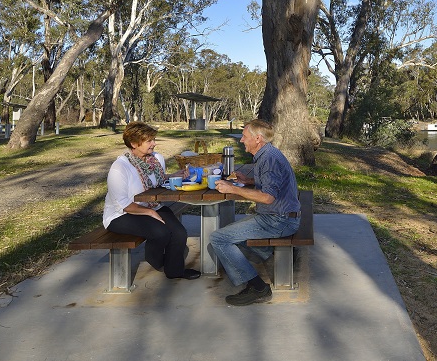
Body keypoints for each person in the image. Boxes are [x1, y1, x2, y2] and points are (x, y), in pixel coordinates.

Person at [211, 119, 300, 305]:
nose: (241, 140)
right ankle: (270, 251)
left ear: (258, 138)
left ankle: (258, 287)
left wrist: (233, 189)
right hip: (281, 216)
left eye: (244, 136)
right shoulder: (268, 154)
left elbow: (268, 197)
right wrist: (249, 181)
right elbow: (273, 184)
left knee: (219, 238)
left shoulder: (268, 159)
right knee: (233, 232)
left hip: (278, 221)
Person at [103, 122, 200, 280]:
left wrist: (176, 175)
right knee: (161, 233)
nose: (154, 143)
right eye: (149, 141)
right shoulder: (120, 168)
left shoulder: (156, 160)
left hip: (152, 206)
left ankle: (175, 272)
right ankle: (155, 260)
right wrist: (149, 212)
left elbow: (159, 181)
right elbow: (123, 204)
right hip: (121, 214)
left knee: (179, 233)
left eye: (153, 139)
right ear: (134, 144)